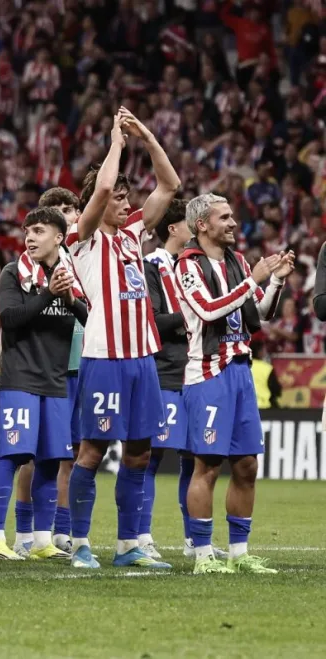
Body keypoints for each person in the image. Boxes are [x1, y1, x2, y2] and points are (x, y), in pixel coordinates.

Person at [64, 107, 180, 570]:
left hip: (142, 358)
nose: (126, 202)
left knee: (140, 450)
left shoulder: (134, 234)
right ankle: (79, 543)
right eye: (119, 198)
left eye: (130, 196)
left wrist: (148, 136)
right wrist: (115, 141)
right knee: (93, 449)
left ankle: (129, 544)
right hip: (105, 357)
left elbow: (170, 187)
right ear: (96, 201)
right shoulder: (82, 237)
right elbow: (106, 187)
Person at [177, 193, 291, 575]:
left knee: (246, 465)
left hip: (240, 372)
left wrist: (274, 281)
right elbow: (209, 310)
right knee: (207, 466)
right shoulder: (187, 265)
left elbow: (258, 315)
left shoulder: (237, 262)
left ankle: (239, 554)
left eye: (232, 216)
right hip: (208, 374)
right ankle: (205, 556)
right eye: (223, 217)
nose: (232, 222)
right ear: (202, 225)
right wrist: (253, 280)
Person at [0, 207, 84, 562]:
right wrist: (47, 295)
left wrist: (69, 297)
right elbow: (9, 320)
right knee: (12, 456)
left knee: (50, 461)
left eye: (39, 231)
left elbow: (92, 318)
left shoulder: (73, 275)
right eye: (28, 231)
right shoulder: (14, 273)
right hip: (20, 379)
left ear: (59, 237)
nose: (30, 237)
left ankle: (43, 540)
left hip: (56, 381)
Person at [13, 187, 81, 557]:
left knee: (68, 453)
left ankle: (61, 532)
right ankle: (25, 532)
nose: (69, 214)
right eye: (60, 210)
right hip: (44, 367)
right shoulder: (29, 266)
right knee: (30, 455)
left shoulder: (80, 258)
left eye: (72, 209)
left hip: (80, 362)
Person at [142, 198, 210, 561]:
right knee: (152, 456)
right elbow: (151, 318)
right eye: (189, 222)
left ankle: (191, 537)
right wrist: (189, 315)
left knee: (194, 458)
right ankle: (142, 535)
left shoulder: (196, 264)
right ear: (173, 228)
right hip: (164, 371)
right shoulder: (151, 265)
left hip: (196, 372)